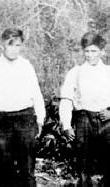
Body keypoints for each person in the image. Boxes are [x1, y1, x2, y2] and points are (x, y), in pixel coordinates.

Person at [0, 28, 46, 187]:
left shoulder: (26, 65)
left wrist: (40, 117)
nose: (14, 49)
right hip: (1, 121)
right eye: (10, 45)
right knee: (4, 167)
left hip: (25, 118)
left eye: (18, 45)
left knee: (27, 168)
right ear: (2, 46)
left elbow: (36, 92)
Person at [59, 32, 110, 186]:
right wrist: (66, 125)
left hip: (107, 121)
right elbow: (66, 100)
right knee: (83, 163)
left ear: (102, 51)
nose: (89, 55)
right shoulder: (76, 72)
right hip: (84, 120)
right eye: (86, 51)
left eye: (93, 51)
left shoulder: (108, 71)